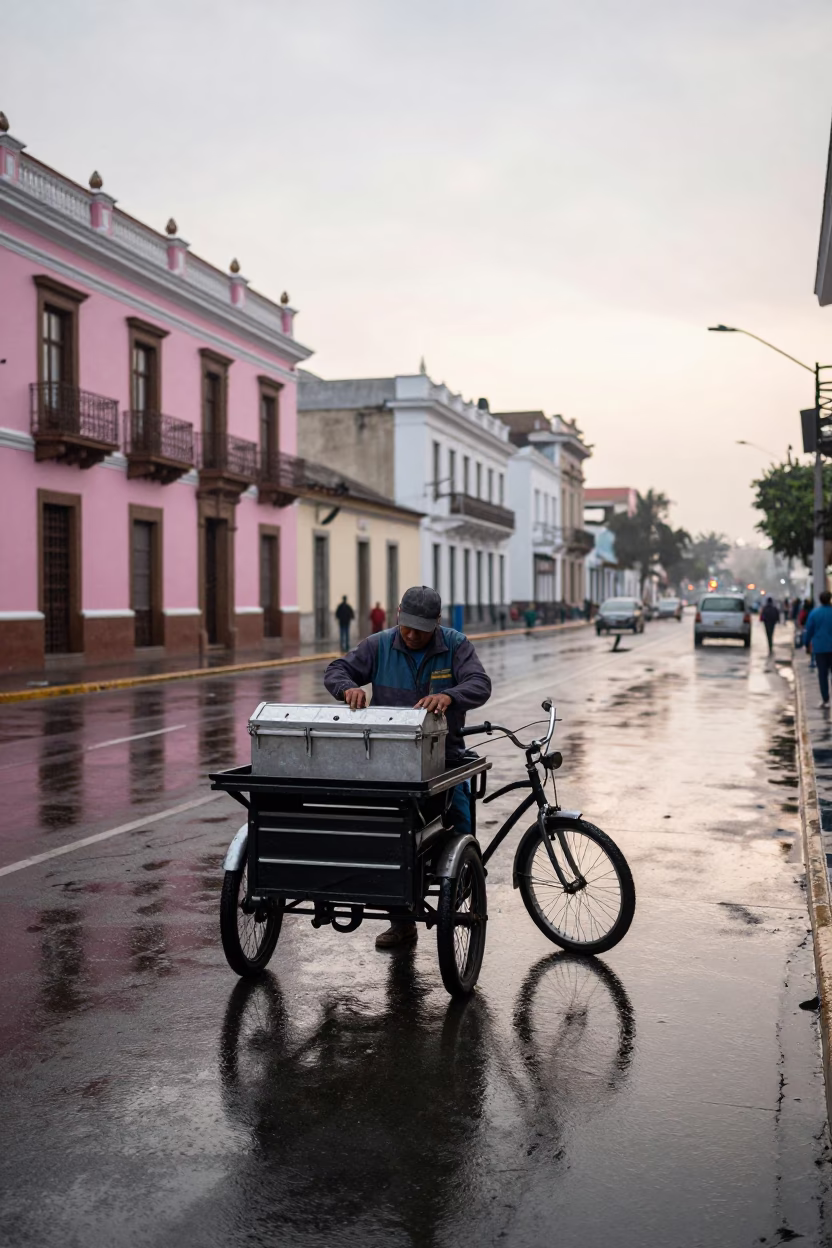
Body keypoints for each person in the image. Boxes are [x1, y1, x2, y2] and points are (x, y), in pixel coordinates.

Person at [324, 585, 492, 948]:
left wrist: (450, 695)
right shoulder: (379, 645)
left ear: (437, 623)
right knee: (391, 837)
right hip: (392, 761)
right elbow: (337, 669)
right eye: (407, 626)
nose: (412, 635)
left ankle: (461, 887)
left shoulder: (455, 645)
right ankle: (401, 922)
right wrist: (346, 689)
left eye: (421, 629)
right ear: (398, 614)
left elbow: (480, 684)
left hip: (444, 757)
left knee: (458, 820)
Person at [805, 591, 832, 709]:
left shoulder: (814, 613)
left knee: (822, 674)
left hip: (820, 648)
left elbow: (809, 630)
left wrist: (806, 644)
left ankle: (825, 699)